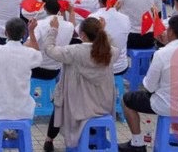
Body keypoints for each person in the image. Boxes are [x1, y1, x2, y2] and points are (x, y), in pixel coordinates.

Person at [119, 15, 178, 152]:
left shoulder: (162, 53)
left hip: (168, 105)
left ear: (171, 32)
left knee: (127, 99)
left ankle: (137, 143)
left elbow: (149, 86)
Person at [36, 15, 118, 152]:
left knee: (59, 99)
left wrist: (53, 30)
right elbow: (111, 45)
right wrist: (103, 31)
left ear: (83, 35)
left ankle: (50, 139)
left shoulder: (74, 51)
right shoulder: (110, 52)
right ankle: (92, 138)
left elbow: (49, 49)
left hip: (78, 107)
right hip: (104, 105)